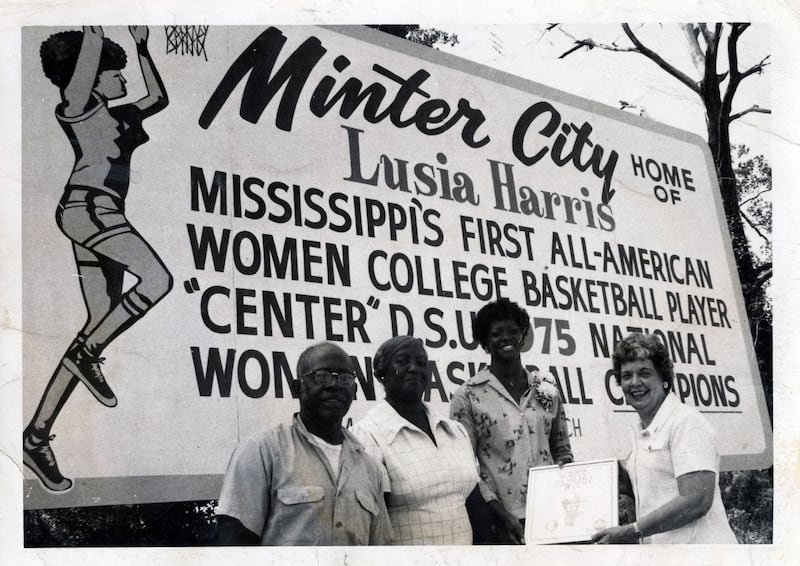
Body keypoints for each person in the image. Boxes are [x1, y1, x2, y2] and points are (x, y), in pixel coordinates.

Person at [24, 26, 171, 492]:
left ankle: (36, 434)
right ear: (91, 78)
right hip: (89, 208)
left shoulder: (123, 115)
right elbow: (85, 64)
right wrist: (95, 27)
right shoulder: (79, 108)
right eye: (114, 73)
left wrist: (144, 46)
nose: (123, 80)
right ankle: (89, 355)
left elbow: (158, 97)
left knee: (100, 319)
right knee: (157, 280)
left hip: (96, 213)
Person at [215, 342, 393, 545]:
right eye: (322, 376)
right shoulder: (261, 452)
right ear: (297, 388)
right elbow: (233, 548)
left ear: (354, 391)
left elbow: (380, 553)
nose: (334, 385)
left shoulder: (369, 468)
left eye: (345, 378)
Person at [592, 333, 737, 544]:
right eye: (626, 376)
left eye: (645, 373)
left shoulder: (686, 422)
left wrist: (632, 530)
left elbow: (697, 500)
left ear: (664, 378)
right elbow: (660, 492)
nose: (635, 383)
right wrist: (621, 483)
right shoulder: (641, 431)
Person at [450, 298, 574, 544]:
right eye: (497, 333)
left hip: (551, 515)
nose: (506, 338)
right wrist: (500, 514)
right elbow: (465, 466)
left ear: (523, 337)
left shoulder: (547, 388)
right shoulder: (467, 395)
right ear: (485, 344)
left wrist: (567, 497)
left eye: (513, 331)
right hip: (499, 522)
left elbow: (562, 450)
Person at [352, 336, 481, 545]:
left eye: (421, 363)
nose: (414, 369)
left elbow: (474, 502)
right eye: (402, 361)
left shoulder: (455, 430)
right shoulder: (368, 434)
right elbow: (373, 524)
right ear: (381, 374)